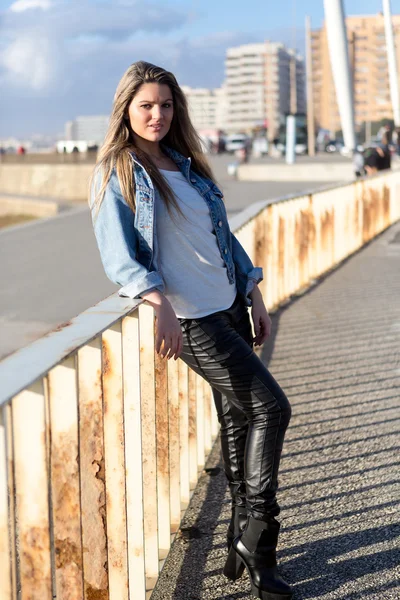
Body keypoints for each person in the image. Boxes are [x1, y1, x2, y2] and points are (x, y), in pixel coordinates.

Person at [89, 61, 292, 600]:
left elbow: (220, 237)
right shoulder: (120, 169)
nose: (157, 115)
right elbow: (119, 255)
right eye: (146, 106)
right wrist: (157, 302)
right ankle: (260, 537)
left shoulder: (187, 165)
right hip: (191, 318)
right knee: (272, 408)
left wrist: (254, 292)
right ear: (126, 110)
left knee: (239, 417)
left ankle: (239, 542)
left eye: (166, 105)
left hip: (227, 304)